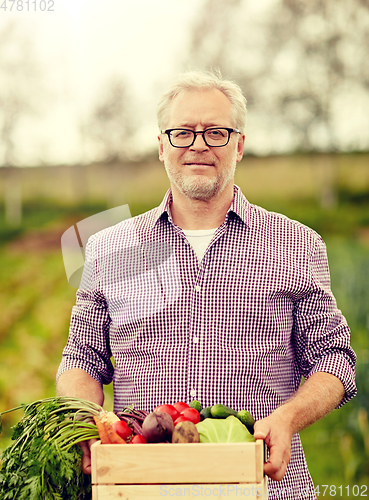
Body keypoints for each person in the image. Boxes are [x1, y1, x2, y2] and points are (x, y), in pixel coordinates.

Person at [56, 70, 356, 499]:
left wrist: (287, 419)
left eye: (216, 132)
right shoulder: (109, 247)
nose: (198, 145)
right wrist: (86, 418)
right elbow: (82, 358)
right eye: (182, 133)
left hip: (262, 483)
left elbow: (335, 360)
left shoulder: (297, 244)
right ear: (162, 147)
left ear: (239, 145)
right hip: (141, 485)